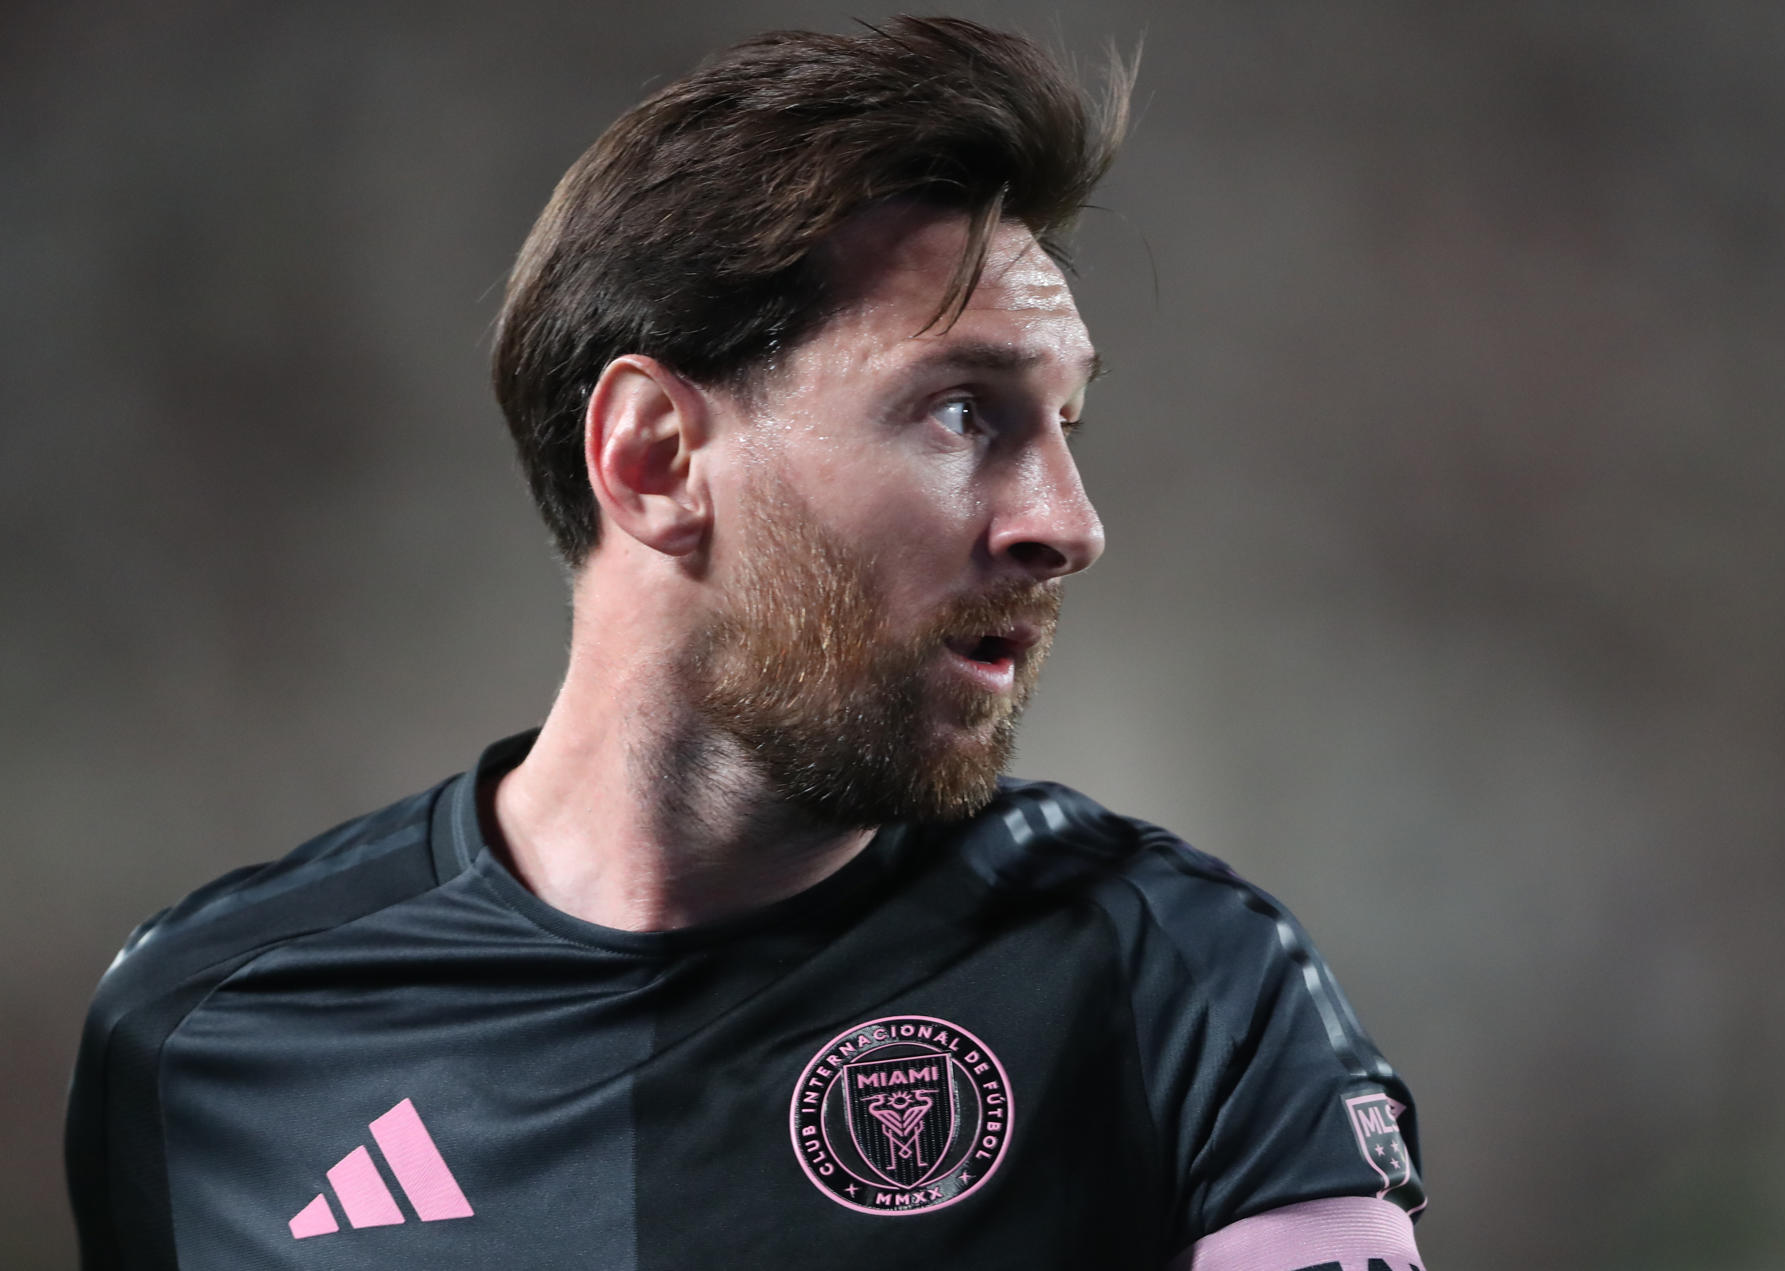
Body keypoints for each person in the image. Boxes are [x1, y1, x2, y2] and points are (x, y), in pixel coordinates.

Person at [67, 17, 1427, 1270]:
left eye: (1065, 424)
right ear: (655, 457)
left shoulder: (1172, 975)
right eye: (963, 412)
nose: (1067, 525)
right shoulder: (206, 1033)